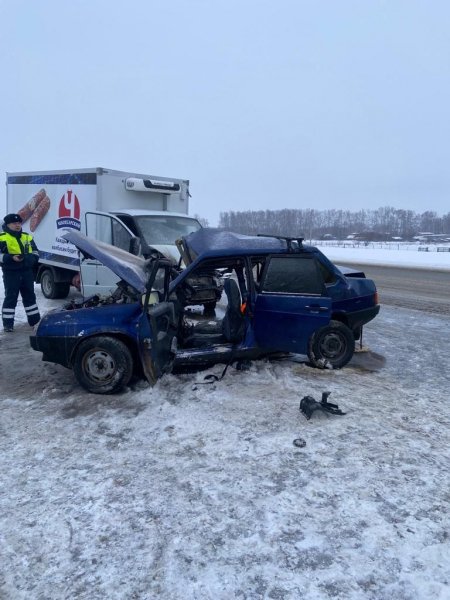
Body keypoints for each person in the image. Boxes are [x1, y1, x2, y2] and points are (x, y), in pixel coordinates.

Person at [0, 213, 41, 332]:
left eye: (19, 223)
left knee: (30, 297)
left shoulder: (27, 237)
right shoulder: (2, 237)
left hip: (26, 271)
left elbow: (36, 253)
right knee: (11, 298)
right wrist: (10, 258)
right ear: (7, 225)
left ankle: (35, 322)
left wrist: (28, 260)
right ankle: (8, 325)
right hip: (11, 273)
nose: (17, 225)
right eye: (14, 223)